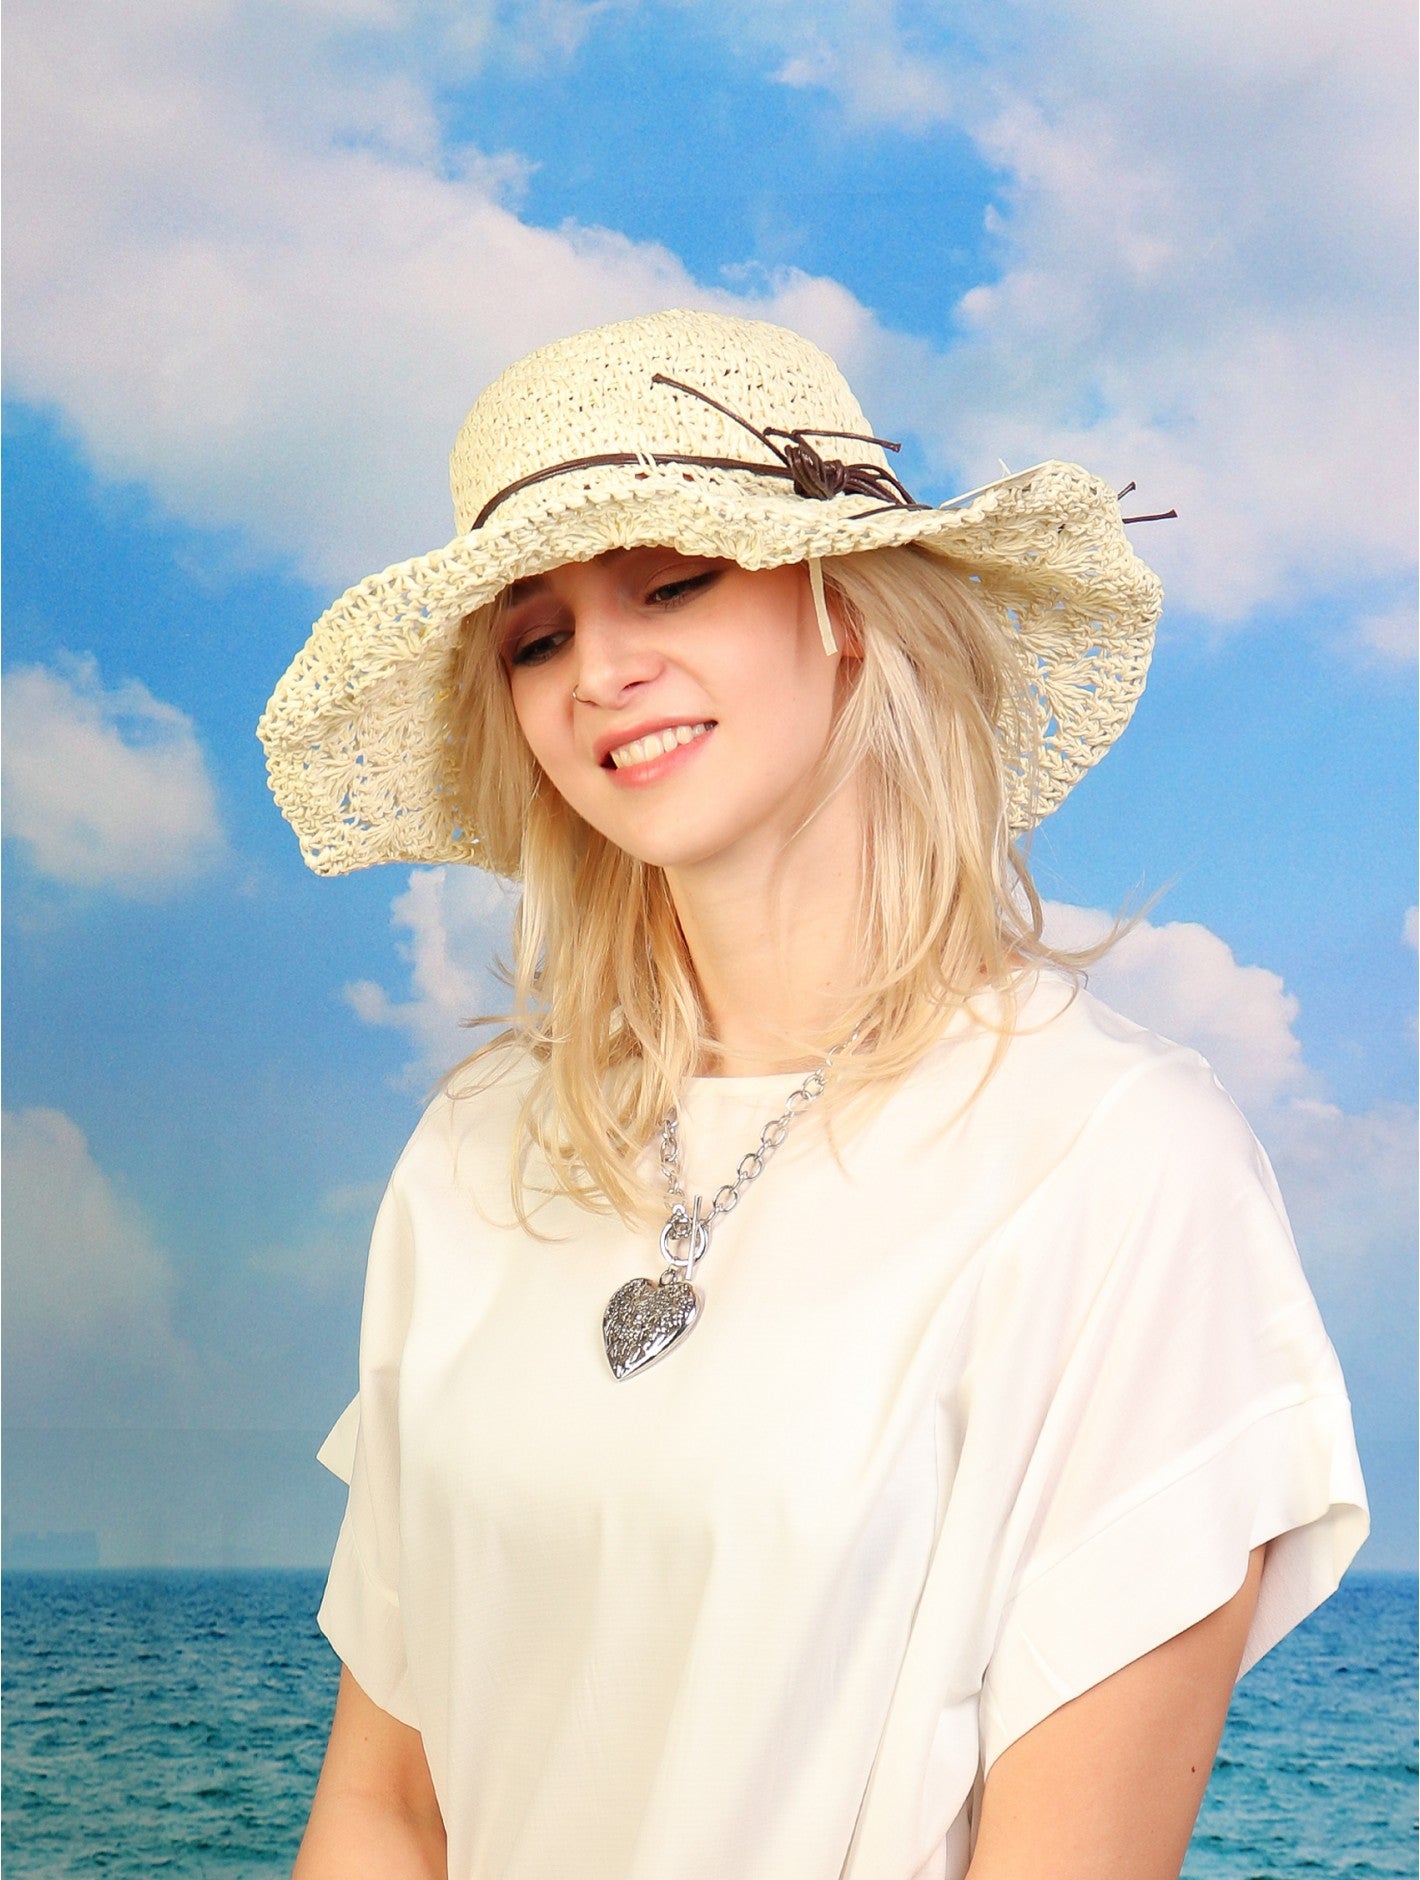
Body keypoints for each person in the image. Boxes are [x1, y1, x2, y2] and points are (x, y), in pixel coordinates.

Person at [258, 309, 1368, 1880]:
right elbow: (391, 1806)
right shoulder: (478, 1154)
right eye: (538, 635)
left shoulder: (1117, 1162)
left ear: (842, 608)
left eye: (674, 581)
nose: (604, 671)